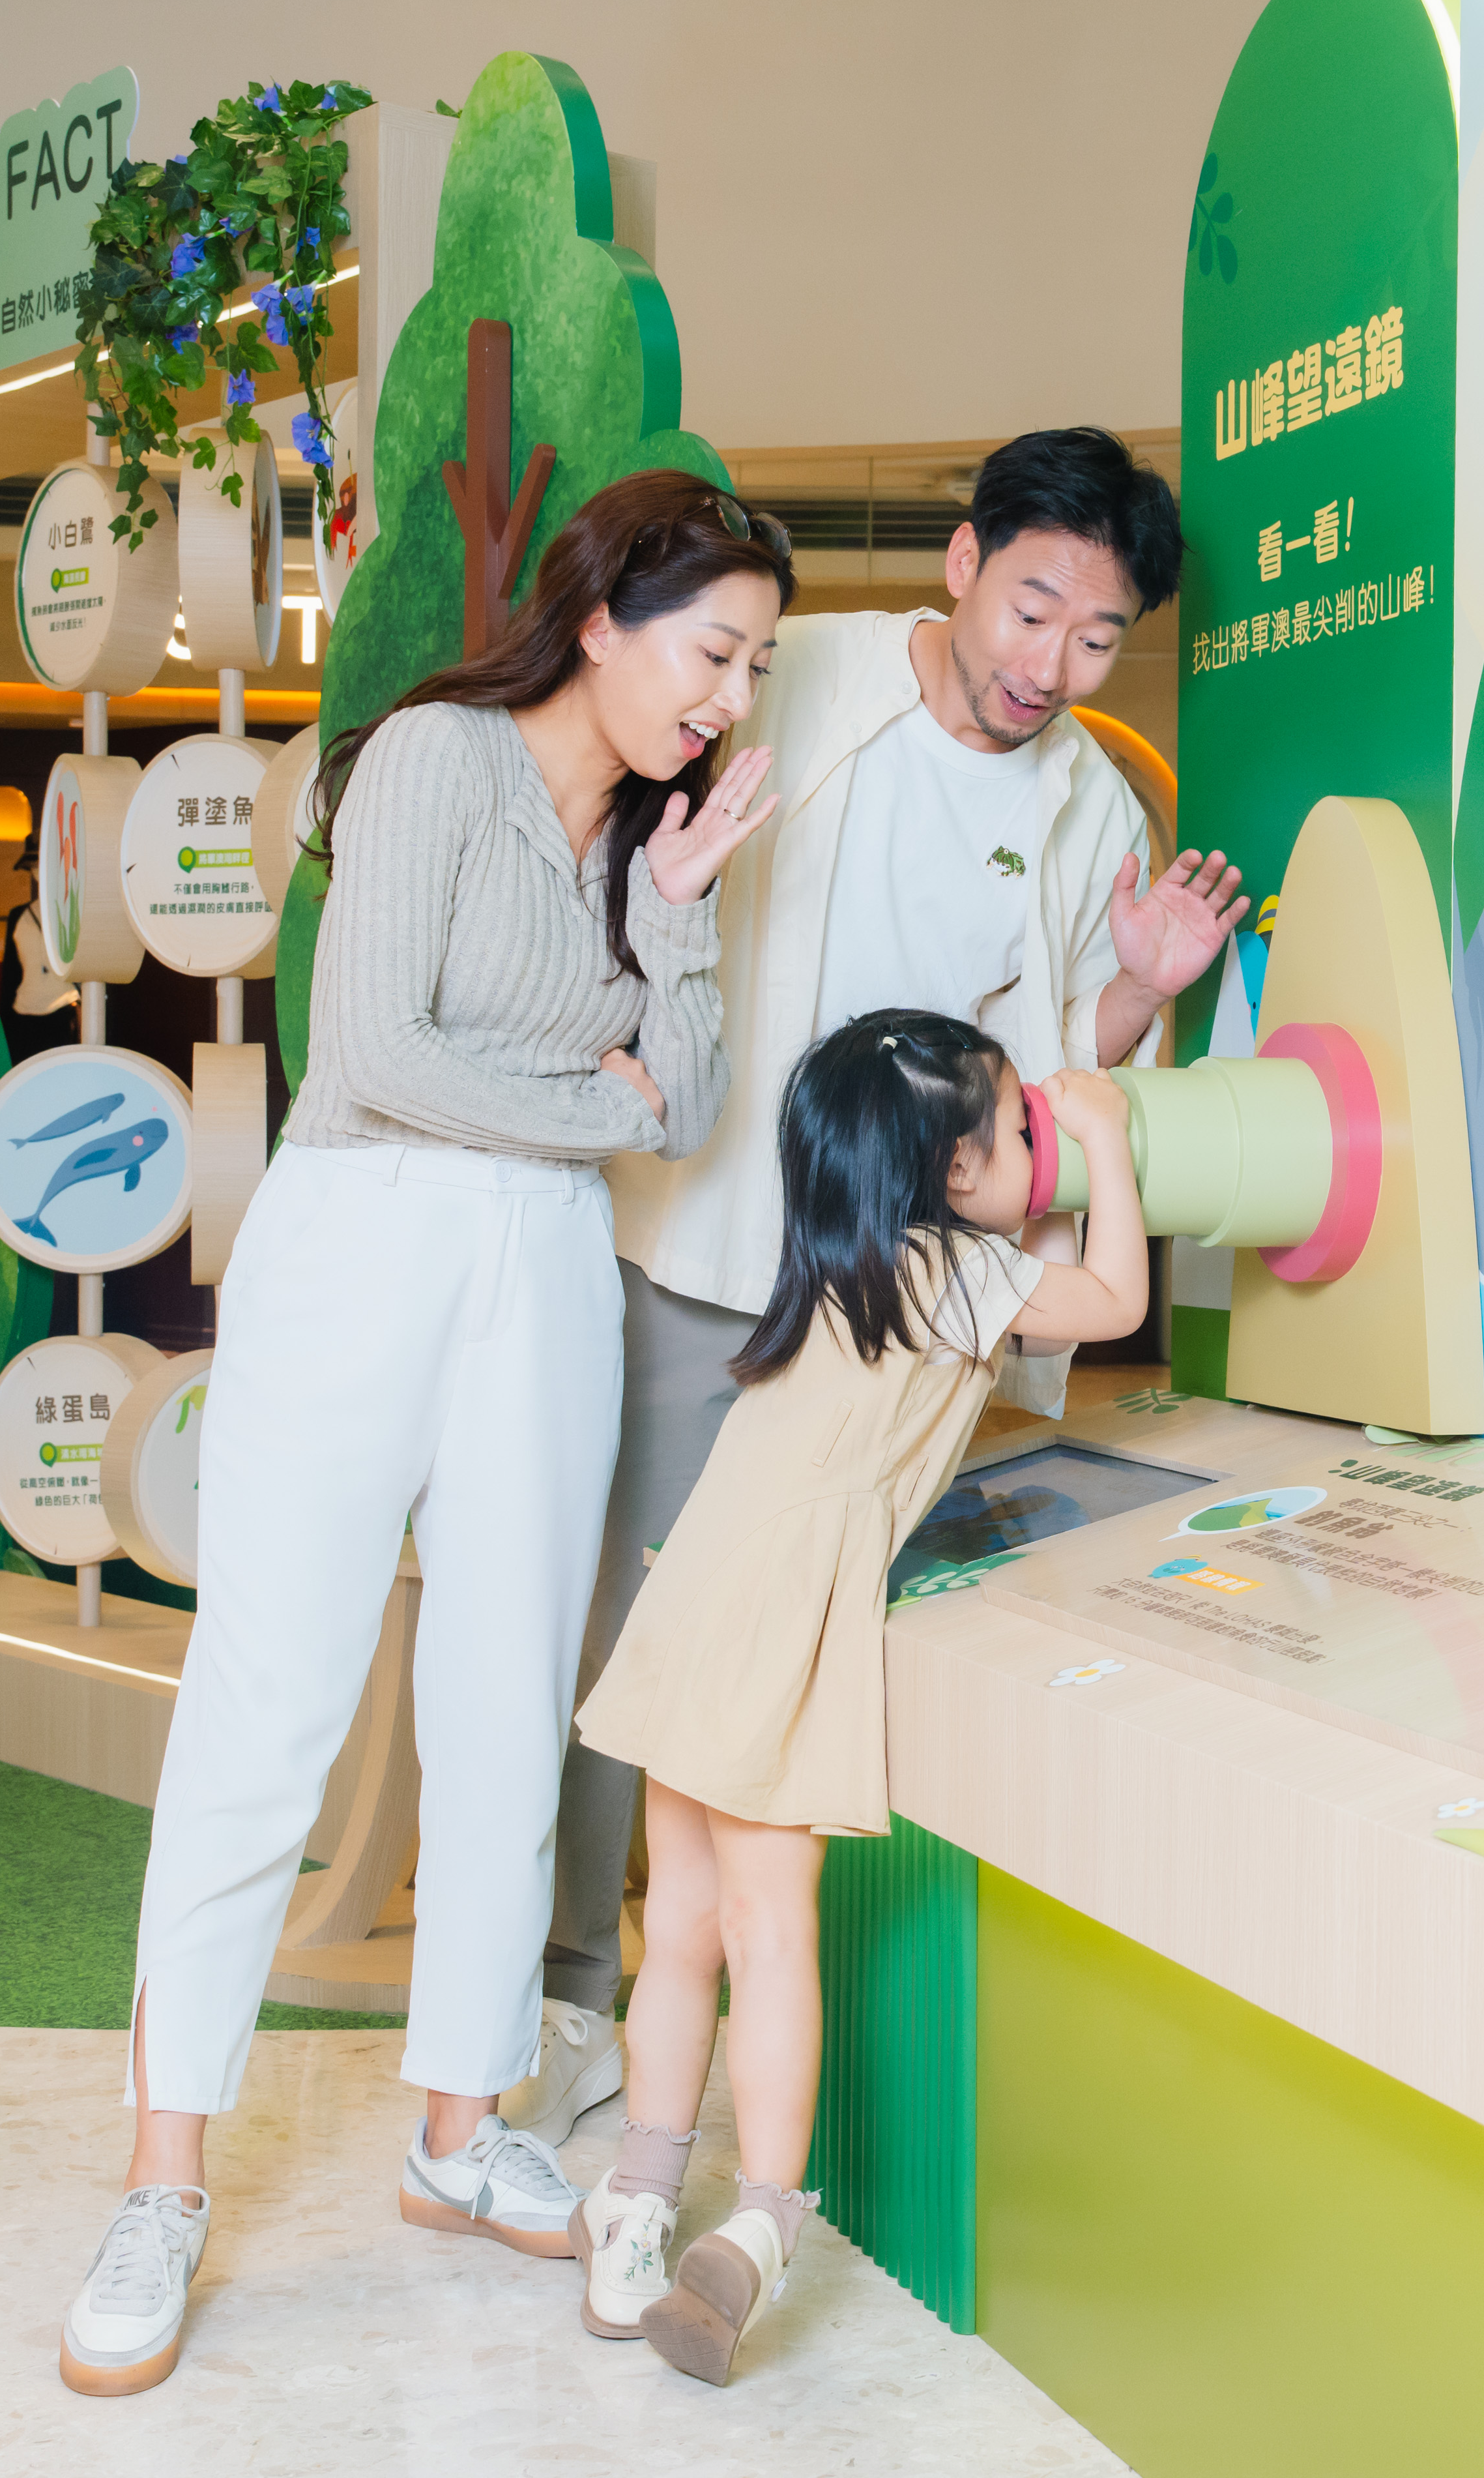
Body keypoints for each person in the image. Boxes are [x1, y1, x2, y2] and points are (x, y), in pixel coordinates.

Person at [57, 471, 797, 2398]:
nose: (730, 698)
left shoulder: (652, 840)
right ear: (605, 615)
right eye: (714, 651)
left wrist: (678, 919)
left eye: (756, 669)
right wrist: (603, 1104)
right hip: (362, 1232)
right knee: (270, 1699)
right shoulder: (429, 763)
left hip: (544, 1268)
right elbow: (379, 1056)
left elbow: (694, 1093)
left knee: (508, 1708)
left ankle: (461, 2127)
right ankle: (161, 2179)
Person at [506, 427, 1245, 2135]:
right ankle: (568, 1994)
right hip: (712, 1249)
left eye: (1098, 635)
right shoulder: (801, 675)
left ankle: (755, 2030)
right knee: (633, 1625)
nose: (1050, 662)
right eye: (1032, 608)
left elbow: (1061, 1063)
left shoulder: (1092, 803)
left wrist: (1140, 991)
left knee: (821, 1644)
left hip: (901, 1309)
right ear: (962, 562)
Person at [565, 1010, 1152, 2382]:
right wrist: (1110, 1138)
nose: (1040, 1142)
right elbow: (1116, 1299)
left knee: (685, 1923)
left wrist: (1035, 1169)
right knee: (773, 1929)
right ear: (954, 1171)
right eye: (1018, 1128)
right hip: (779, 1622)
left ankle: (637, 2204)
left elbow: (1030, 1262)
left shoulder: (855, 1260)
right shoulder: (961, 1274)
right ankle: (761, 2223)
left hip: (695, 1588)